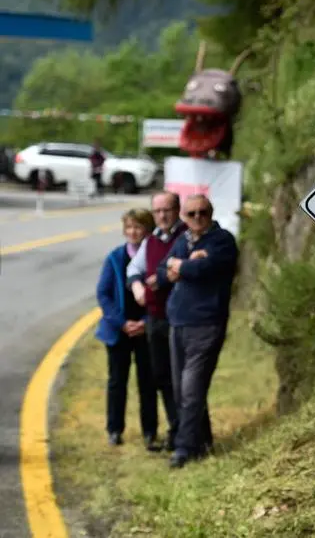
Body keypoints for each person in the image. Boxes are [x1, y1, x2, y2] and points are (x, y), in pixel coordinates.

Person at [156, 194, 238, 468]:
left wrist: (183, 266)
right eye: (191, 214)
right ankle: (202, 442)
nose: (198, 218)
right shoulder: (183, 241)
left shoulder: (222, 240)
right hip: (178, 322)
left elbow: (208, 267)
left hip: (206, 324)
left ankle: (183, 448)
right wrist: (182, 265)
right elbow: (159, 273)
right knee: (183, 391)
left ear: (211, 212)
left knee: (191, 389)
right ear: (184, 217)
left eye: (203, 212)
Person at [126, 191, 186, 452]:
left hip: (181, 319)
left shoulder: (186, 237)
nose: (162, 215)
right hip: (155, 318)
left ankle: (188, 433)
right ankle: (175, 429)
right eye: (158, 211)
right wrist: (137, 286)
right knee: (161, 376)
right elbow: (133, 269)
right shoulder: (151, 241)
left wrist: (164, 278)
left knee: (183, 379)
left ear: (177, 210)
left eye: (167, 210)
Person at [95, 208, 159, 449]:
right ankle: (114, 429)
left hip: (146, 328)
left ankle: (150, 431)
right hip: (118, 330)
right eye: (129, 227)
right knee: (117, 381)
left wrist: (144, 321)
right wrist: (121, 322)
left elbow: (160, 293)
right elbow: (103, 293)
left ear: (148, 230)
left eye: (138, 227)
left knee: (148, 381)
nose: (133, 232)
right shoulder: (114, 258)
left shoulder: (154, 258)